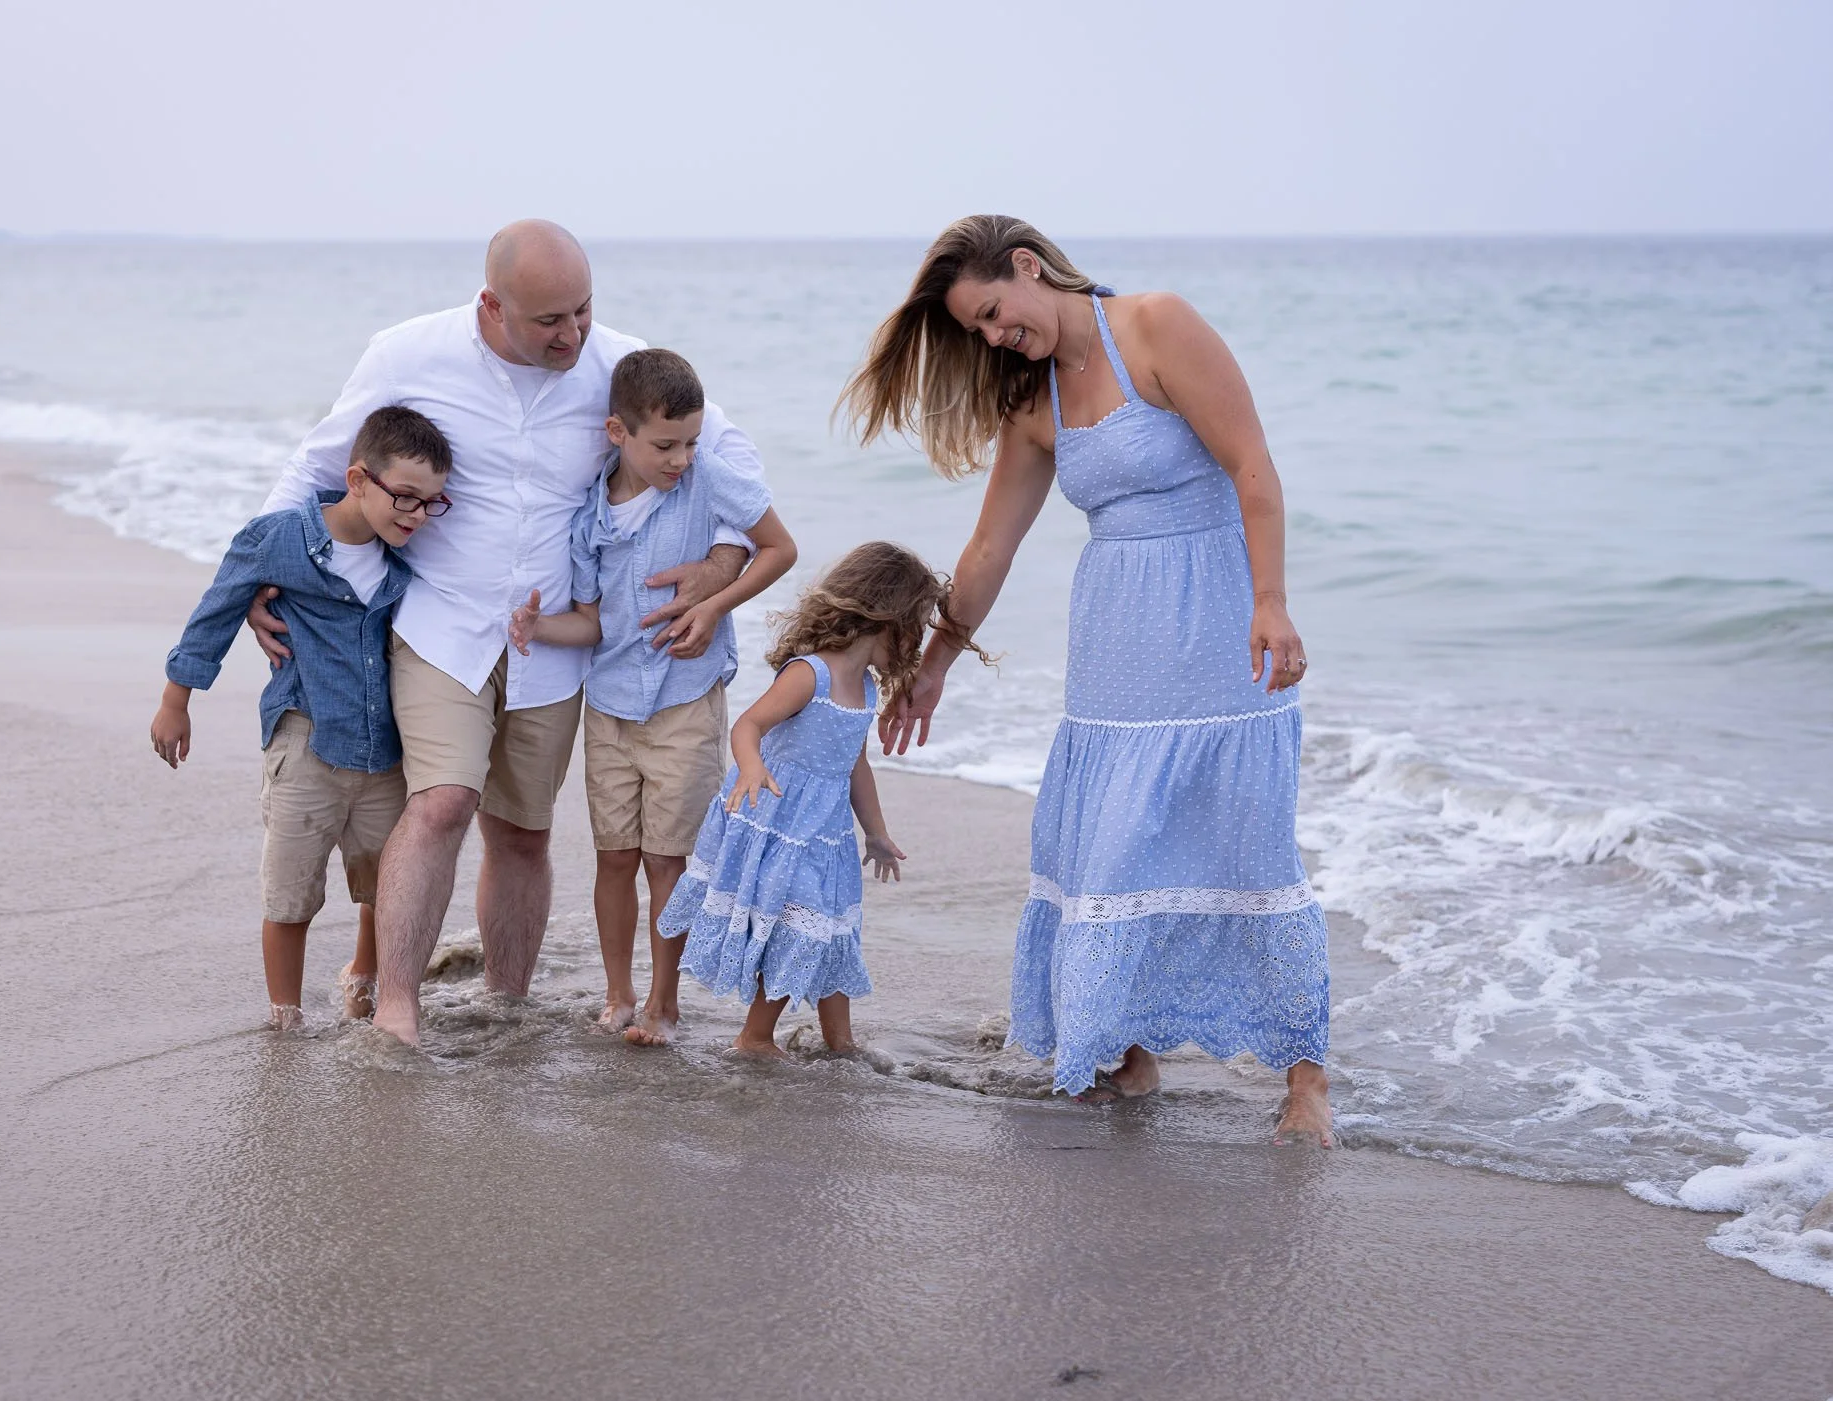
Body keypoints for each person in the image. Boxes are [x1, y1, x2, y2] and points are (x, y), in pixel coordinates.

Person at [843, 215, 1335, 1146]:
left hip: (1216, 628)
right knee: (1115, 844)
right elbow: (991, 545)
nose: (994, 336)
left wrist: (1271, 602)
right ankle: (1125, 1050)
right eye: (976, 330)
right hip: (1115, 642)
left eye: (993, 312)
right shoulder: (1034, 402)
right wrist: (938, 658)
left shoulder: (1156, 326)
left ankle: (1305, 1079)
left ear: (1029, 267)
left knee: (1247, 842)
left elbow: (1252, 467)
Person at [248, 221, 767, 1047]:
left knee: (522, 833)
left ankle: (506, 1003)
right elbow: (313, 468)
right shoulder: (407, 354)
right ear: (493, 305)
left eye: (584, 311)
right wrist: (259, 579)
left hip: (555, 647)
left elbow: (730, 466)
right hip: (442, 628)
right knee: (443, 802)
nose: (574, 334)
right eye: (551, 320)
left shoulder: (614, 366)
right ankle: (397, 1009)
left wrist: (722, 563)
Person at [509, 348, 798, 1046]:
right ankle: (619, 994)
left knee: (668, 859)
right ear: (618, 433)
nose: (681, 457)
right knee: (615, 857)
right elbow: (591, 622)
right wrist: (537, 626)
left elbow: (780, 549)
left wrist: (714, 606)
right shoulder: (590, 515)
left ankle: (664, 1006)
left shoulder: (707, 482)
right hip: (608, 707)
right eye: (665, 444)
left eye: (692, 441)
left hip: (685, 703)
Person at [150, 406, 452, 1030]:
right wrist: (175, 701)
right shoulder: (280, 538)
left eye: (430, 503)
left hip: (384, 748)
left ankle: (364, 987)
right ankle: (284, 1015)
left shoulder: (406, 562)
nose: (416, 515)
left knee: (382, 883)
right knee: (290, 890)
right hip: (305, 734)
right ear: (358, 479)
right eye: (405, 496)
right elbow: (217, 611)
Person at [657, 543, 984, 1059]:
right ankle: (754, 1037)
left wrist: (875, 833)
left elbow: (856, 765)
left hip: (824, 833)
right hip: (777, 819)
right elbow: (750, 724)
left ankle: (841, 1041)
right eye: (914, 625)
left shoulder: (868, 689)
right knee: (796, 926)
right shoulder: (811, 673)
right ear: (884, 617)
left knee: (829, 930)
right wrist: (751, 767)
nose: (918, 641)